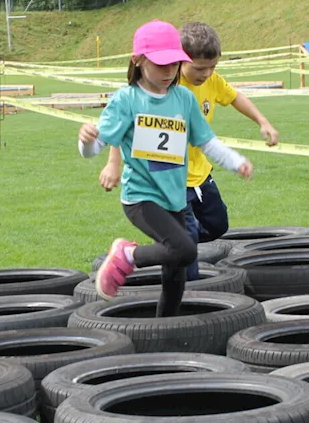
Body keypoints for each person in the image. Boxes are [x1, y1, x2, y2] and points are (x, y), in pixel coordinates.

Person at [79, 20, 253, 314]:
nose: (169, 71)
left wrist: (236, 162)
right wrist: (86, 141)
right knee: (185, 249)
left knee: (176, 274)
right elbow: (93, 149)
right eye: (161, 65)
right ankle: (127, 254)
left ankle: (164, 328)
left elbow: (207, 142)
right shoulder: (127, 100)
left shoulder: (183, 98)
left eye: (175, 64)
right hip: (142, 197)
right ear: (138, 61)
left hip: (175, 198)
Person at [101, 21, 279, 280]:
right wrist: (113, 162)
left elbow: (235, 98)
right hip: (174, 180)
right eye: (199, 68)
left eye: (212, 67)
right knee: (186, 247)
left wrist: (263, 122)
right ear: (180, 61)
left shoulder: (212, 81)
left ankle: (168, 245)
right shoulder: (165, 86)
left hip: (201, 174)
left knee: (218, 224)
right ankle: (187, 290)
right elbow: (125, 125)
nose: (206, 73)